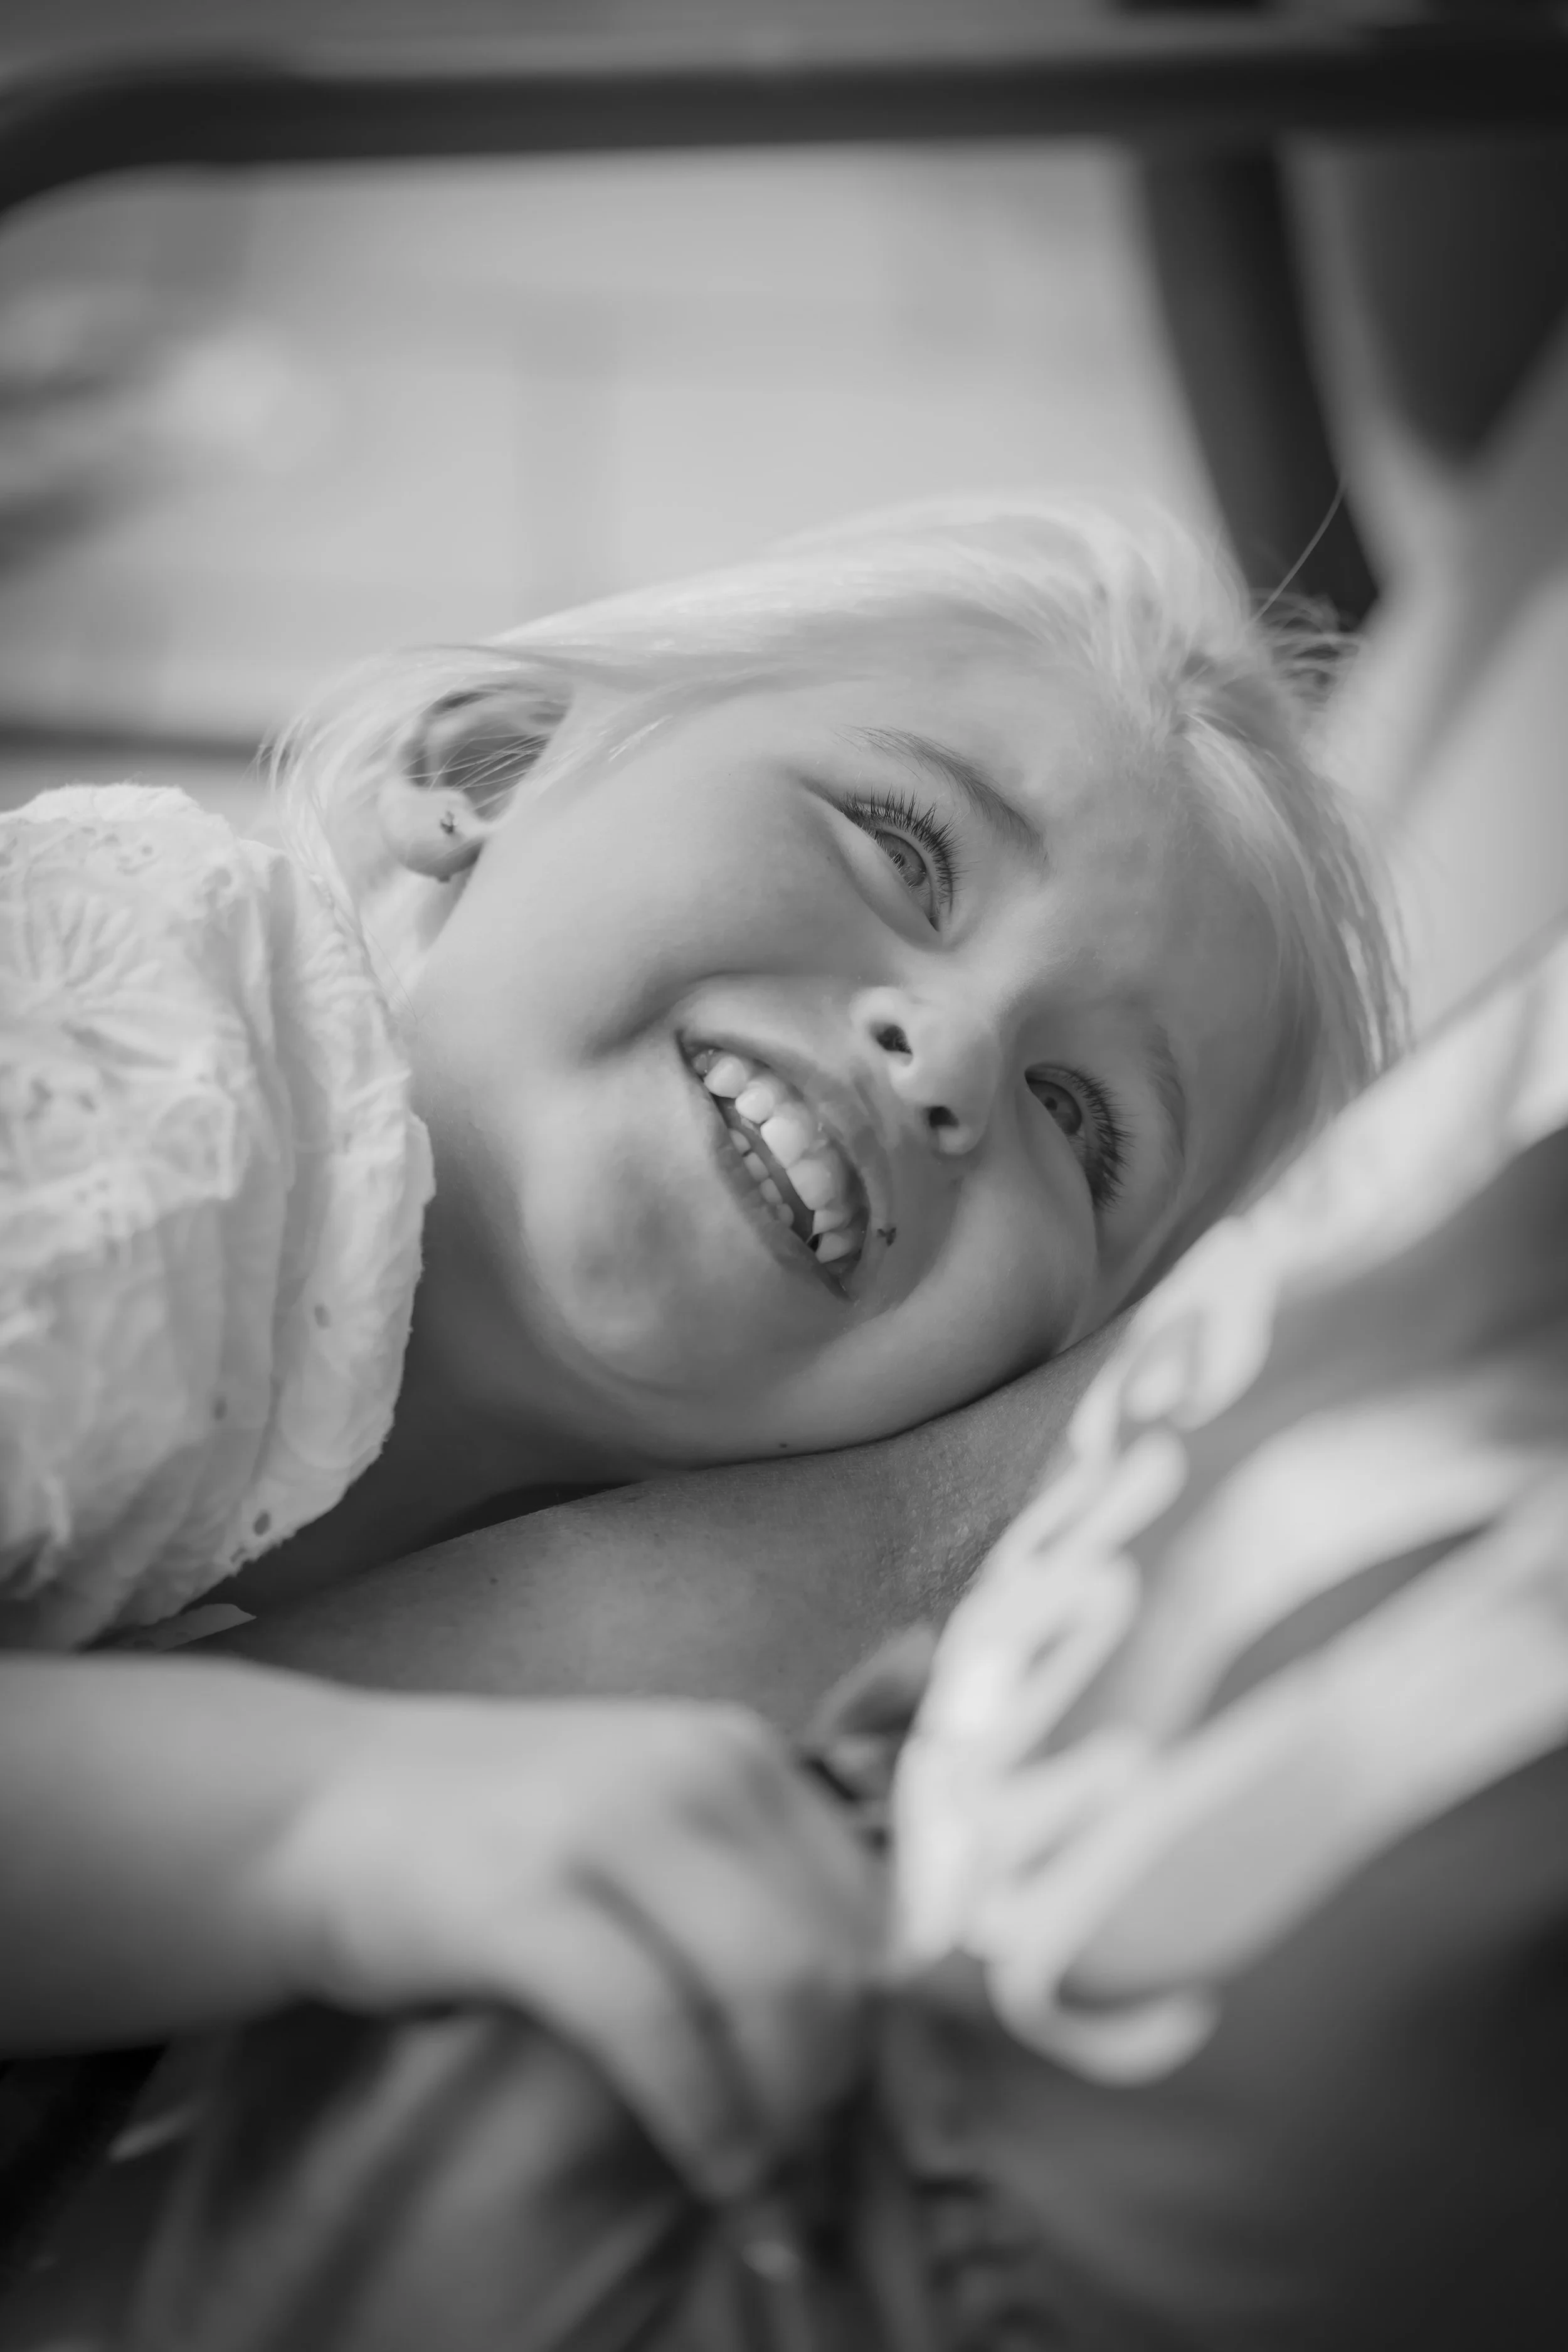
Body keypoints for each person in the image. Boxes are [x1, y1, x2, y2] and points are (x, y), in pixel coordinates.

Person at [0, 497, 1399, 2206]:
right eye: (905, 846)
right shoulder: (151, 1047)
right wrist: (314, 1825)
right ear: (493, 766)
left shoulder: (665, 1618)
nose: (947, 1052)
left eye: (1076, 1122)